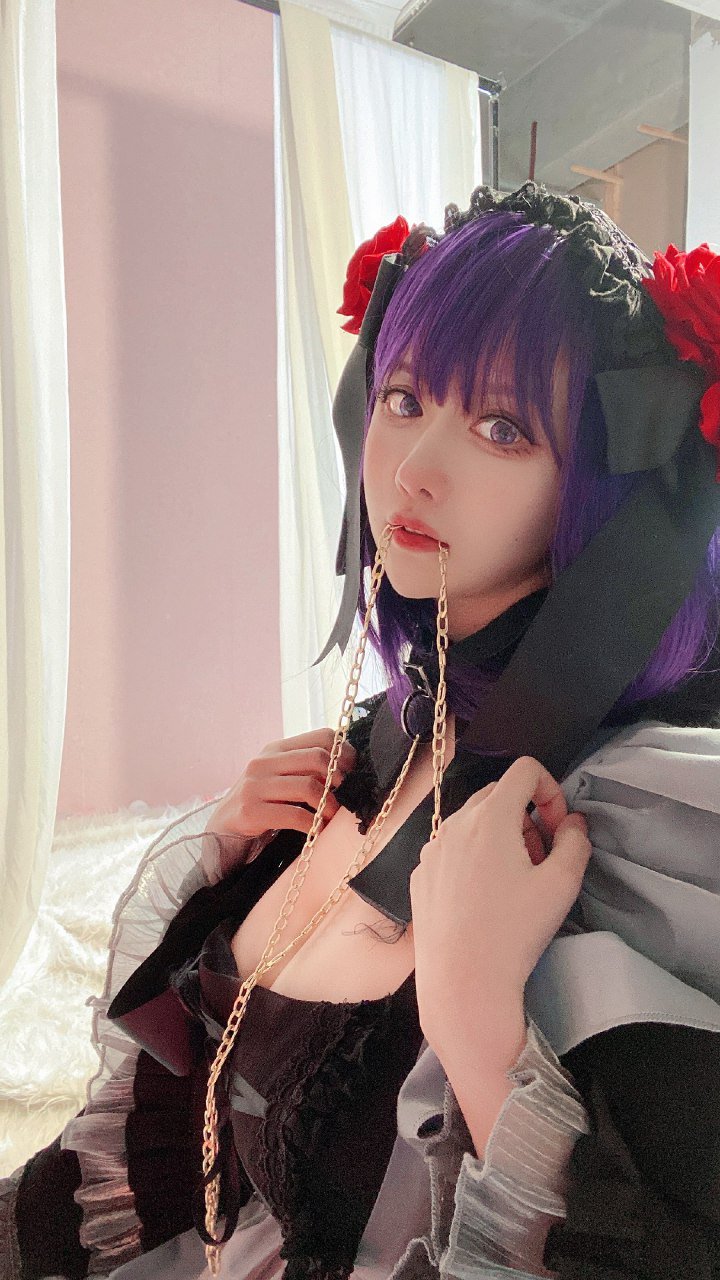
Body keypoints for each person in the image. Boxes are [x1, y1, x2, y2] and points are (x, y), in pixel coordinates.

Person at [2, 181, 720, 1280]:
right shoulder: (381, 740)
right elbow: (173, 1143)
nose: (415, 468)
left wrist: (480, 1023)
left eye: (501, 426)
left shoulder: (641, 831)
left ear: (604, 486)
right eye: (403, 395)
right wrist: (230, 865)